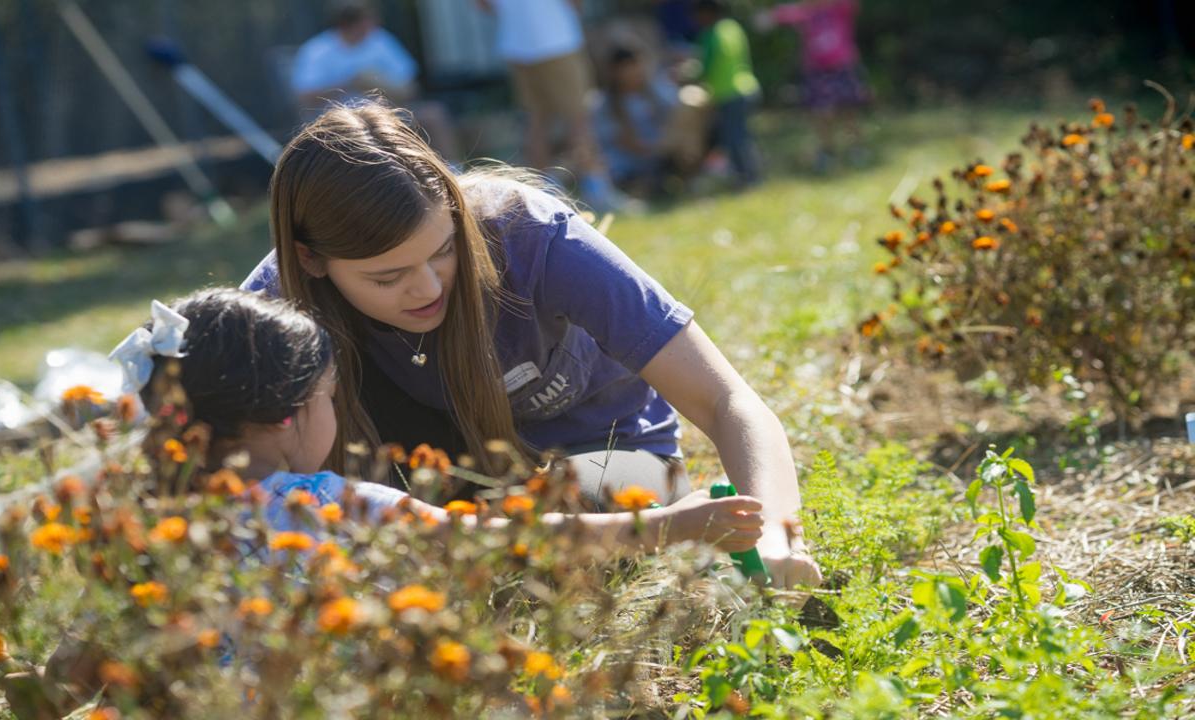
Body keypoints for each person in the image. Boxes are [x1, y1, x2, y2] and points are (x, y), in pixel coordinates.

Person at [242, 102, 822, 590]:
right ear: (310, 261)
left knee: (565, 546)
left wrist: (773, 537)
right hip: (433, 490)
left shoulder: (530, 235)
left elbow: (727, 401)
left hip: (600, 463)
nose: (427, 287)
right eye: (387, 278)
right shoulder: (277, 302)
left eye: (444, 251)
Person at [111, 288, 766, 552]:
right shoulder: (331, 506)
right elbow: (504, 544)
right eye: (330, 397)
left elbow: (68, 672)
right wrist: (671, 524)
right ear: (287, 415)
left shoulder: (142, 533)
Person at [475, 0, 626, 213]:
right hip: (557, 39)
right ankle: (597, 191)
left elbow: (483, 6)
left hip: (516, 43)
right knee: (578, 118)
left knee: (535, 122)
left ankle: (545, 194)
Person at [290, 0, 461, 162]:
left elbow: (410, 86)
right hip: (339, 119)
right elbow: (305, 97)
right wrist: (350, 83)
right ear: (348, 24)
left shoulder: (380, 40)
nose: (374, 24)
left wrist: (382, 85)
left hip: (387, 111)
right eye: (367, 20)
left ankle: (453, 171)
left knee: (433, 114)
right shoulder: (317, 50)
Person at [756, 0, 870, 171]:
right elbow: (780, 15)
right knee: (820, 113)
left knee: (848, 111)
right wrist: (768, 18)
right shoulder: (805, 12)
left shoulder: (840, 8)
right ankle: (827, 151)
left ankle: (856, 148)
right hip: (817, 70)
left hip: (842, 65)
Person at [592, 44, 681, 194]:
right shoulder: (603, 104)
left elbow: (678, 114)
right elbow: (626, 142)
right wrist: (656, 150)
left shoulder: (656, 90)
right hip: (628, 163)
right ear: (615, 72)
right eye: (628, 67)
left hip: (662, 154)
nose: (635, 71)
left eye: (637, 64)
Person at [692, 0, 763, 188]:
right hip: (748, 87)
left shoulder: (710, 34)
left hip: (729, 93)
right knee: (742, 137)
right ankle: (751, 176)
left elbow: (705, 66)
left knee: (734, 139)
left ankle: (747, 178)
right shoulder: (732, 27)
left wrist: (689, 75)